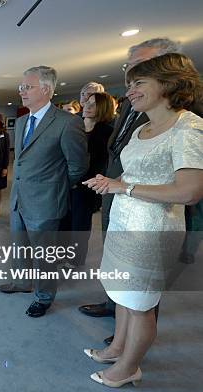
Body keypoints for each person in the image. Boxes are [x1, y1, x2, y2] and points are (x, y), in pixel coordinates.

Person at [83, 52, 203, 388]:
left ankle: (129, 367)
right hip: (124, 225)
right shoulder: (143, 127)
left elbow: (189, 191)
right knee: (123, 295)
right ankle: (117, 348)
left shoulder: (189, 127)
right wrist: (115, 186)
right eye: (129, 85)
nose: (130, 91)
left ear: (167, 84)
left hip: (152, 232)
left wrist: (124, 186)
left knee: (140, 305)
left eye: (138, 83)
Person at [79, 37, 184, 323]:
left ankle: (134, 332)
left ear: (167, 68)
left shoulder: (182, 116)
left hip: (150, 209)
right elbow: (121, 142)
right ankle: (115, 306)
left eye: (140, 65)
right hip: (117, 189)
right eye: (130, 65)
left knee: (143, 281)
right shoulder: (130, 102)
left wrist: (124, 185)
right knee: (117, 258)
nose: (131, 73)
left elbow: (185, 186)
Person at [0, 66, 88, 317]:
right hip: (18, 199)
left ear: (46, 89)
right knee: (20, 247)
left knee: (45, 256)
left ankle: (44, 296)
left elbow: (78, 166)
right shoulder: (25, 120)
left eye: (27, 87)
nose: (22, 91)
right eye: (21, 87)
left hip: (46, 202)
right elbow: (21, 161)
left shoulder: (68, 123)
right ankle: (22, 283)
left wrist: (55, 187)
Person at [64, 92, 115, 268]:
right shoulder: (74, 125)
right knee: (63, 220)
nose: (87, 106)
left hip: (87, 185)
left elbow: (102, 162)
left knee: (80, 224)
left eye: (93, 104)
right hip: (65, 182)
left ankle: (75, 259)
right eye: (87, 103)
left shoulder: (107, 132)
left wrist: (83, 181)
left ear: (103, 108)